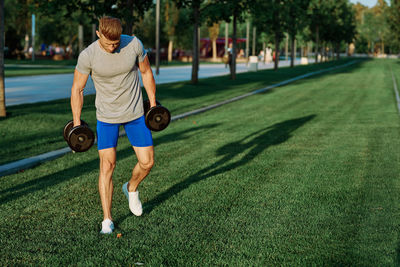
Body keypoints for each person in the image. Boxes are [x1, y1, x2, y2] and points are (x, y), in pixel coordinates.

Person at [70, 16, 157, 234]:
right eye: (109, 43)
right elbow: (77, 89)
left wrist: (153, 105)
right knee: (107, 166)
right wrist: (77, 123)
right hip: (106, 117)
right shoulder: (88, 55)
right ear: (99, 34)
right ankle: (107, 219)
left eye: (116, 43)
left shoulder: (133, 44)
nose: (113, 47)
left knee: (147, 163)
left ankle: (131, 188)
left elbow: (146, 72)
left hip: (135, 113)